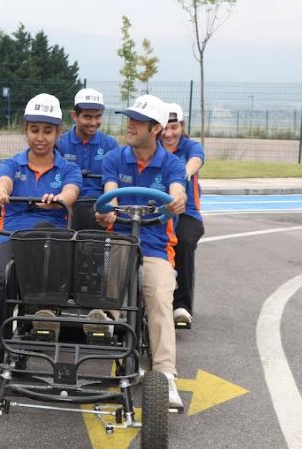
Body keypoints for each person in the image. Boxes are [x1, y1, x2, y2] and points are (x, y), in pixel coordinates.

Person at [0, 93, 82, 360]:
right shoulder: (11, 163)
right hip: (11, 237)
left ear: (58, 133)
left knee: (46, 236)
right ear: (26, 130)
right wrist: (0, 191)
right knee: (1, 280)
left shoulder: (68, 169)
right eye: (34, 130)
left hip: (51, 242)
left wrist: (58, 200)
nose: (40, 137)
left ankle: (35, 325)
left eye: (47, 131)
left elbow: (71, 193)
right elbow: (4, 181)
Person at [95, 94, 188, 411]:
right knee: (111, 289)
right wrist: (108, 212)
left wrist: (176, 200)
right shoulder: (114, 158)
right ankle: (112, 329)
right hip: (121, 241)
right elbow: (110, 195)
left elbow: (178, 190)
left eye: (137, 120)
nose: (129, 124)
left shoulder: (172, 164)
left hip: (154, 247)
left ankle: (165, 375)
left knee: (161, 297)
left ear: (157, 128)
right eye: (129, 118)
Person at [161, 103, 205, 327]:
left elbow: (195, 161)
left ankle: (182, 306)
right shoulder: (153, 147)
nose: (169, 133)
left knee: (184, 243)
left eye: (174, 127)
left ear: (182, 127)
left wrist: (182, 174)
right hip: (158, 210)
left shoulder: (191, 147)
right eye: (164, 127)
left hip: (186, 213)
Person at [56, 88, 120, 230]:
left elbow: (114, 184)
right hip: (69, 206)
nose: (93, 122)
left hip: (100, 207)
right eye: (87, 117)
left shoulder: (110, 144)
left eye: (98, 117)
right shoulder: (60, 143)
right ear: (74, 115)